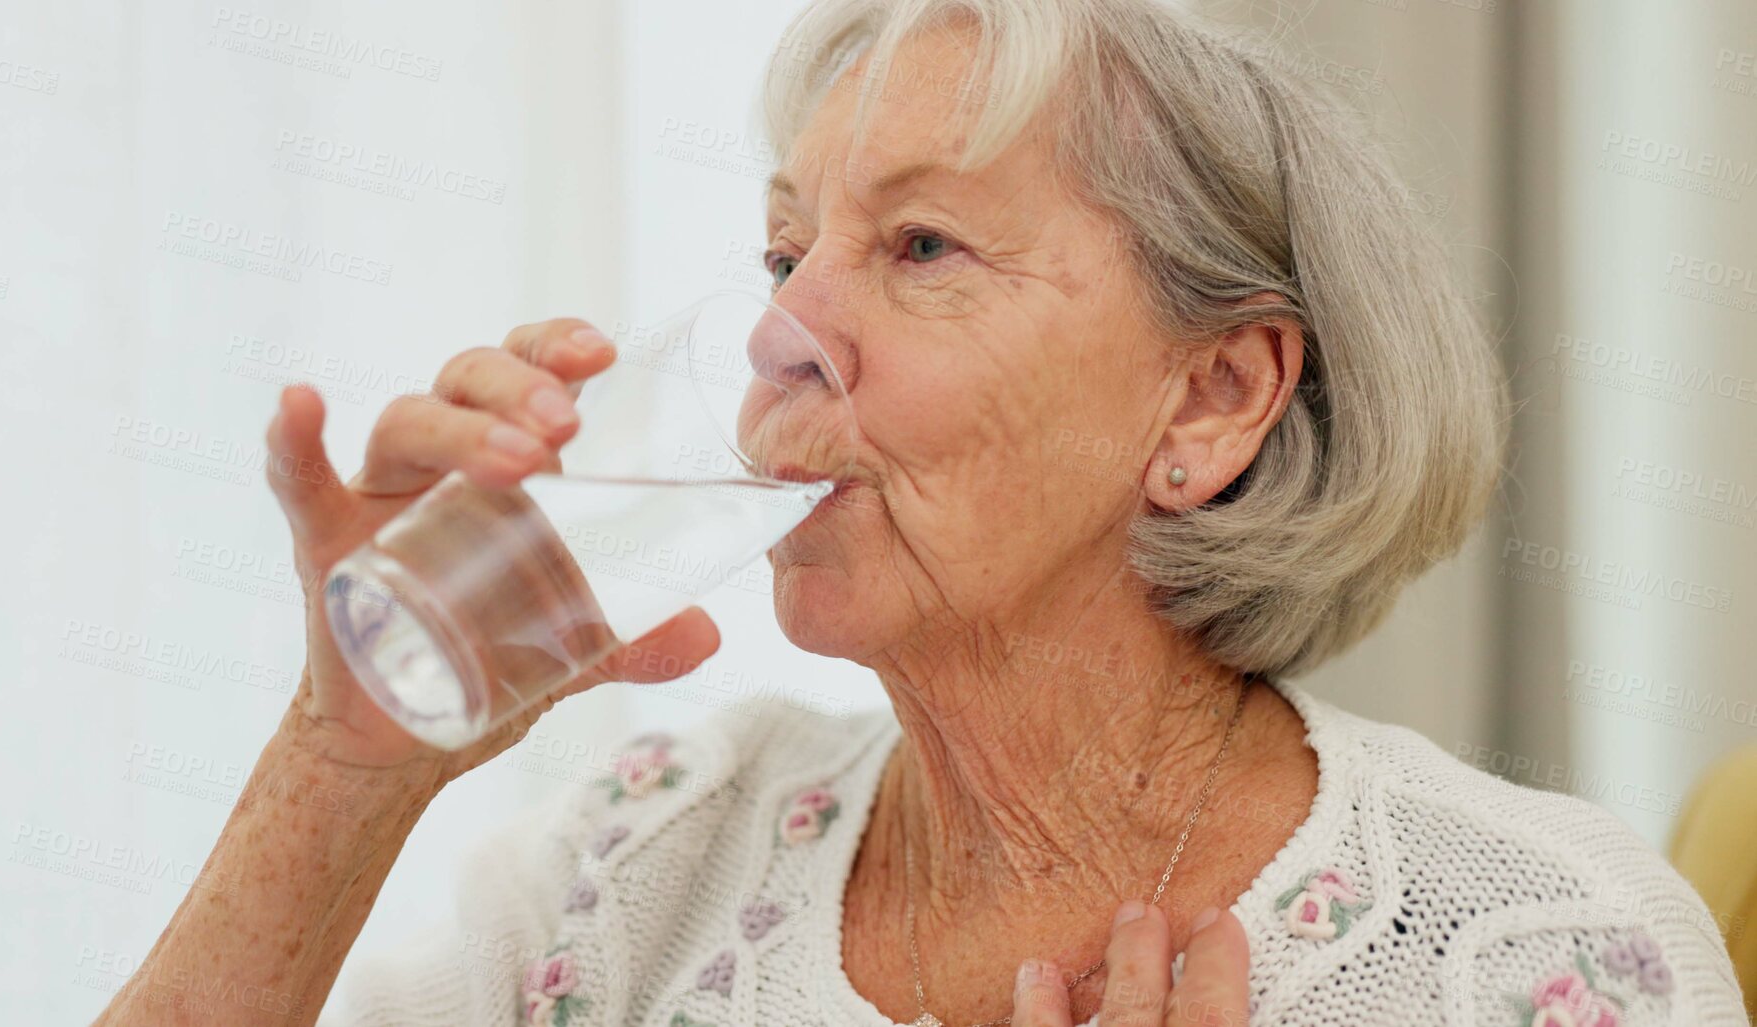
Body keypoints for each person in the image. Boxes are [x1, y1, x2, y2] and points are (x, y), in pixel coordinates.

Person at [94, 0, 1748, 1024]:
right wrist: (341, 770)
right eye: (781, 253)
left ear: (1213, 399)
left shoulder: (1535, 955)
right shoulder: (644, 857)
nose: (776, 325)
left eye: (923, 248)